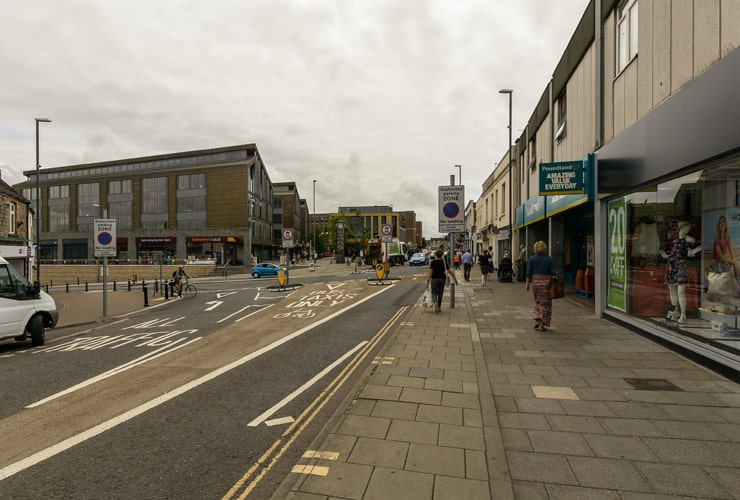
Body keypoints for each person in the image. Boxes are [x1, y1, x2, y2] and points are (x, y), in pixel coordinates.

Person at [659, 220, 701, 323]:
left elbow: (689, 254)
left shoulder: (690, 240)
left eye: (688, 228)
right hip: (671, 266)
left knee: (681, 291)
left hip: (681, 266)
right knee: (672, 290)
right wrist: (665, 256)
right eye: (685, 227)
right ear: (680, 229)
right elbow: (673, 254)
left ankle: (683, 314)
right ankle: (675, 310)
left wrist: (693, 252)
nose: (687, 229)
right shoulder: (674, 241)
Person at [525, 240, 556, 331]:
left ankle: (536, 320)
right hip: (546, 281)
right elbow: (553, 272)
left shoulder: (532, 258)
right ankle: (542, 323)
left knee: (537, 301)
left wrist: (527, 284)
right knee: (545, 303)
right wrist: (555, 282)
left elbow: (528, 272)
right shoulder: (549, 259)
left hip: (536, 281)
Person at [426, 248, 458, 313]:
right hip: (442, 279)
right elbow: (449, 271)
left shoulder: (433, 262)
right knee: (440, 293)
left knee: (434, 292)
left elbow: (431, 272)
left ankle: (435, 304)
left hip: (434, 279)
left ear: (435, 255)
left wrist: (428, 281)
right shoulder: (444, 262)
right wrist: (455, 279)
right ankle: (439, 307)